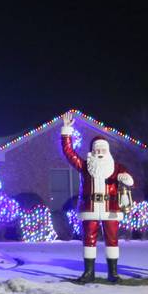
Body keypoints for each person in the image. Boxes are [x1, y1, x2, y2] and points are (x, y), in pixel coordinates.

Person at [61, 112, 134, 283]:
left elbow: (130, 180)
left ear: (107, 151)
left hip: (111, 209)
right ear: (92, 151)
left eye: (102, 149)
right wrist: (67, 130)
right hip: (90, 209)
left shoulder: (116, 167)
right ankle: (89, 272)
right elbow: (69, 153)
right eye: (96, 149)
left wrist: (126, 179)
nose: (99, 152)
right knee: (89, 239)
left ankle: (113, 273)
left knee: (112, 239)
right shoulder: (85, 166)